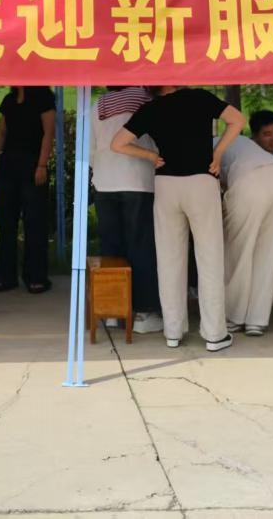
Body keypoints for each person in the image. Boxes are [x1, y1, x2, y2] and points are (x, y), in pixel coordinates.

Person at [112, 86, 245, 352]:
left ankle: (173, 331)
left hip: (166, 185)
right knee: (209, 258)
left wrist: (150, 156)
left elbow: (117, 143)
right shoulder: (199, 97)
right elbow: (237, 120)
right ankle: (214, 334)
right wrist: (218, 153)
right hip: (201, 181)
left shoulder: (150, 108)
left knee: (169, 259)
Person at [90, 86, 161, 334]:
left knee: (111, 248)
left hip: (104, 182)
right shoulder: (146, 100)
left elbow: (90, 149)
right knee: (140, 247)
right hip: (138, 180)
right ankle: (143, 312)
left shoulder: (97, 105)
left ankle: (112, 310)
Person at [219, 136, 273, 337]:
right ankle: (257, 320)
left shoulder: (212, 145)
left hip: (248, 182)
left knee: (238, 251)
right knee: (270, 252)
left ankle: (234, 316)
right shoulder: (241, 141)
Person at [0, 85, 56, 294]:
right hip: (8, 164)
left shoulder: (44, 98)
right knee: (6, 221)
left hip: (32, 163)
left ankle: (36, 276)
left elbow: (48, 133)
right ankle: (5, 275)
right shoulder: (9, 100)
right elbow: (2, 133)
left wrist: (42, 165)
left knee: (34, 221)